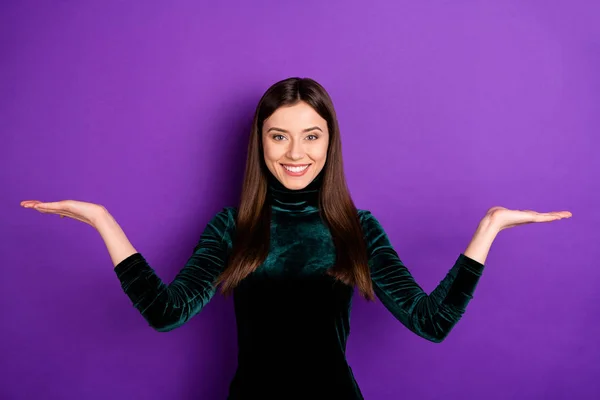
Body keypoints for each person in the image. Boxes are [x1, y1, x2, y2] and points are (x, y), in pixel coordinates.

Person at [20, 77, 572, 399]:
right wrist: (102, 221)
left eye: (311, 136)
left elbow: (432, 323)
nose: (295, 153)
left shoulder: (358, 227)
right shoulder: (230, 227)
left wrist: (489, 229)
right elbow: (166, 312)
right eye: (279, 136)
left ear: (330, 142)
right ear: (260, 143)